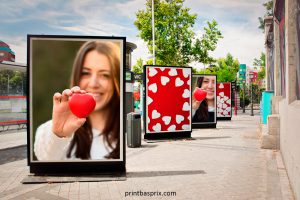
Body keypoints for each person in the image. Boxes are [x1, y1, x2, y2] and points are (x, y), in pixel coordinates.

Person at [34, 41, 120, 160]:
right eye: (85, 73)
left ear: (117, 80)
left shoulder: (125, 131)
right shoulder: (48, 131)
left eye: (105, 75)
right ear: (76, 76)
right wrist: (59, 134)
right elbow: (46, 160)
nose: (94, 84)